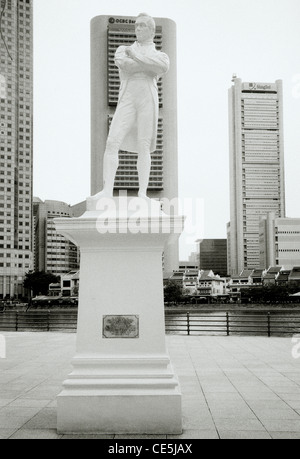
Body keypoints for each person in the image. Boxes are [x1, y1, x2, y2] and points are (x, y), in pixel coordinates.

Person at [94, 13, 170, 200]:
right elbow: (126, 66)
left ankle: (143, 193)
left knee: (144, 144)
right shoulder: (122, 49)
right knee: (112, 141)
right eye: (136, 25)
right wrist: (146, 65)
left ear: (152, 30)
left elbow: (162, 67)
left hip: (147, 98)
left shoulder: (161, 55)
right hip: (128, 97)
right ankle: (106, 191)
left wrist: (136, 57)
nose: (138, 28)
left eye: (143, 25)